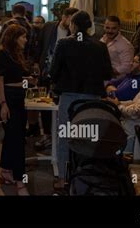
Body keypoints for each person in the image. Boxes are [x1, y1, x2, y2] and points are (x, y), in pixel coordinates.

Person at [49, 11, 112, 190]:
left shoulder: (64, 44)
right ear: (89, 26)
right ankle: (86, 176)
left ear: (73, 26)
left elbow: (53, 73)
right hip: (93, 99)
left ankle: (63, 178)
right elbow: (108, 73)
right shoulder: (100, 46)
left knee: (65, 137)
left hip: (69, 98)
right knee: (88, 138)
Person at [0, 24, 33, 195]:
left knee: (12, 137)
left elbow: (15, 77)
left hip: (18, 96)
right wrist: (3, 104)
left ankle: (6, 172)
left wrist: (27, 80)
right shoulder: (0, 53)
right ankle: (20, 181)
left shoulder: (16, 53)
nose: (25, 40)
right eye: (23, 36)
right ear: (14, 37)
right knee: (17, 141)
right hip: (8, 98)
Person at [31, 7, 79, 150]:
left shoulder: (75, 34)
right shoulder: (49, 27)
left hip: (64, 75)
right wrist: (35, 62)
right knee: (43, 104)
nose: (70, 23)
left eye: (73, 21)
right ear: (63, 17)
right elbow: (39, 45)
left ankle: (61, 135)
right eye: (68, 19)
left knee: (61, 105)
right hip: (45, 71)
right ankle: (47, 134)